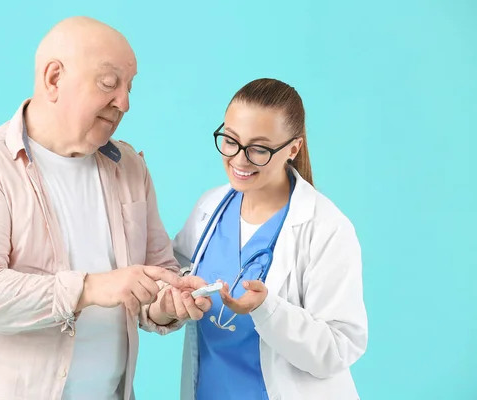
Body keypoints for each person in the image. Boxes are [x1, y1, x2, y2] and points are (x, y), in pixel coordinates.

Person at [0, 16, 209, 400]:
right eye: (109, 84)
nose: (125, 102)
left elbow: (153, 278)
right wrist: (90, 287)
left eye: (129, 88)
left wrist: (169, 304)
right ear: (54, 79)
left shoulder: (130, 167)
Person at [153, 78, 368, 399]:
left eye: (259, 149)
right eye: (230, 140)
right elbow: (173, 279)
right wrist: (173, 301)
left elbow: (338, 349)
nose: (239, 159)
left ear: (293, 148)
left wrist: (267, 309)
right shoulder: (209, 207)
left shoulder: (325, 228)